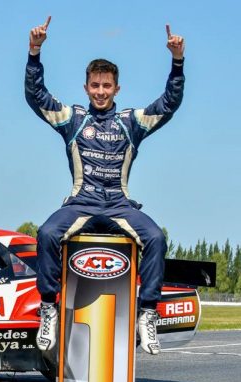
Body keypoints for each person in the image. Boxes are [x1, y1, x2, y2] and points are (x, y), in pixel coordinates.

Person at [25, 16, 185, 355]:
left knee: (156, 237)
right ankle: (49, 308)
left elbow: (168, 104)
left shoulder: (131, 122)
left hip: (119, 205)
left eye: (106, 86)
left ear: (116, 89)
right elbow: (36, 96)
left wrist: (177, 62)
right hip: (81, 203)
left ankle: (147, 313)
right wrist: (35, 52)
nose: (100, 91)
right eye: (95, 86)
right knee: (47, 233)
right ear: (86, 88)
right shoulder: (73, 119)